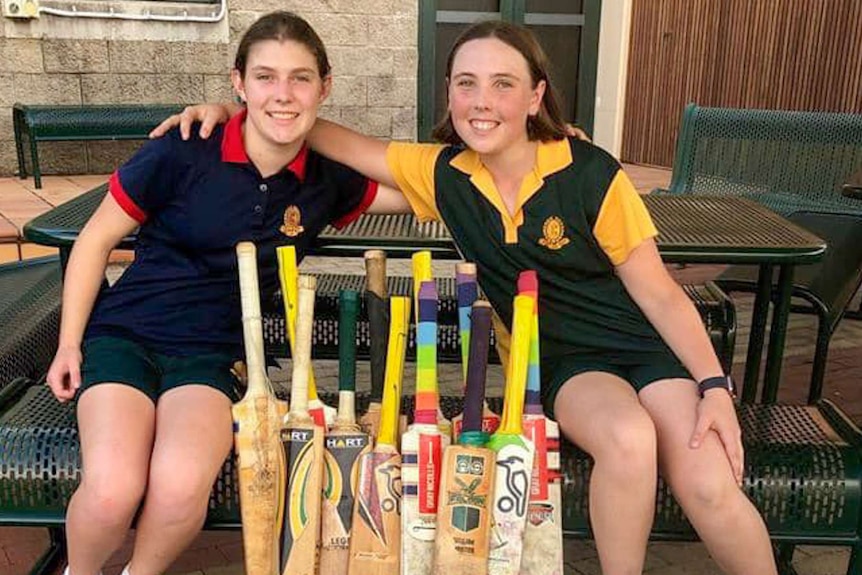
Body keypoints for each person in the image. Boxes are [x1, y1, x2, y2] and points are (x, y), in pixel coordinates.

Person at [156, 20, 777, 575]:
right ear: (449, 93)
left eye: (504, 84)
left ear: (536, 96)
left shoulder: (591, 172)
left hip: (644, 346)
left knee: (709, 482)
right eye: (467, 83)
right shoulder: (445, 174)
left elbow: (663, 296)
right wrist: (241, 107)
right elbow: (323, 133)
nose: (483, 101)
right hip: (563, 360)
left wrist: (714, 389)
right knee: (629, 438)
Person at [45, 11, 412, 575]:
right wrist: (70, 344)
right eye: (265, 77)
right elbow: (94, 241)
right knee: (114, 489)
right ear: (238, 83)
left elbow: (422, 191)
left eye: (300, 78)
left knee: (177, 488)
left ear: (325, 87)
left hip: (214, 355)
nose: (283, 94)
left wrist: (525, 150)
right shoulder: (185, 148)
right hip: (126, 335)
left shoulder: (325, 178)